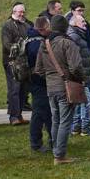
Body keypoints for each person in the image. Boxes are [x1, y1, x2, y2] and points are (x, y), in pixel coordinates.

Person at [37, 14, 86, 164]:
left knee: (56, 120)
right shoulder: (67, 43)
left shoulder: (44, 43)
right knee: (65, 121)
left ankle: (55, 150)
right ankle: (59, 155)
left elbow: (38, 69)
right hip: (66, 87)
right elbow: (76, 67)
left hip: (51, 88)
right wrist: (80, 78)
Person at [67, 13, 90, 136]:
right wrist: (80, 77)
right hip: (80, 77)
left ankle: (76, 127)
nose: (85, 25)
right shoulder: (75, 38)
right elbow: (75, 60)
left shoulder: (77, 36)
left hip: (81, 76)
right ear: (74, 23)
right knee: (87, 101)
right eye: (82, 22)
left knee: (79, 102)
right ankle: (85, 127)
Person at [0, 3, 31, 125]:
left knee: (24, 88)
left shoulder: (26, 25)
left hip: (23, 62)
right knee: (14, 88)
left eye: (23, 12)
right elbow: (6, 44)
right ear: (13, 11)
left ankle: (19, 114)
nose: (22, 14)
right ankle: (13, 117)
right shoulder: (7, 26)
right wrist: (21, 48)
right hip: (11, 62)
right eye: (19, 12)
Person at [27, 17, 53, 152]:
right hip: (39, 82)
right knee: (40, 112)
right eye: (49, 26)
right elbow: (41, 65)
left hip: (34, 81)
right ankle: (36, 143)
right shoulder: (38, 44)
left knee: (44, 111)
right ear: (43, 28)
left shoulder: (30, 39)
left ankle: (51, 139)